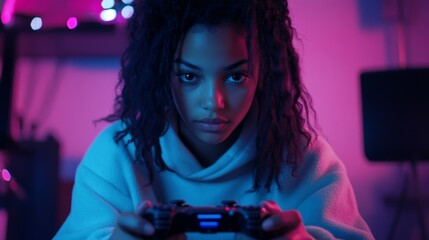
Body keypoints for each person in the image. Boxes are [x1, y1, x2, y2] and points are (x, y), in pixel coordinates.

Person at [55, 0, 374, 239]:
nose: (214, 102)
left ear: (264, 72)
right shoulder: (116, 157)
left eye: (236, 76)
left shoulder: (306, 161)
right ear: (162, 72)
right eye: (189, 76)